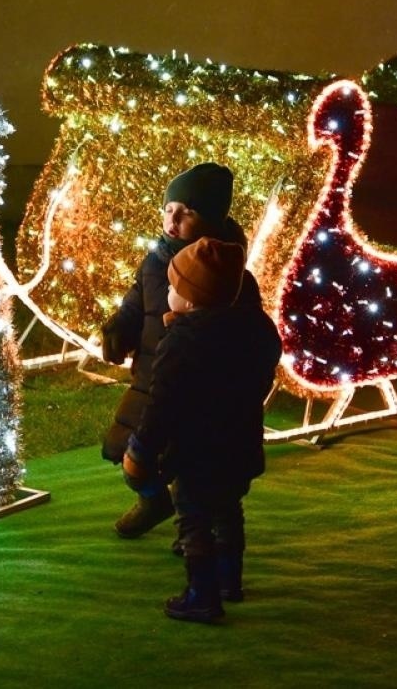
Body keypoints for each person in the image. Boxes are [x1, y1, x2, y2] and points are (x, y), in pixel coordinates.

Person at [122, 236, 282, 623]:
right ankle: (230, 579)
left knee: (193, 518)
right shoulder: (256, 329)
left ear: (191, 299)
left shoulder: (185, 339)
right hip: (241, 445)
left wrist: (143, 447)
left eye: (174, 287)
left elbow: (163, 401)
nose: (169, 294)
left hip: (197, 452)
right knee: (229, 510)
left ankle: (202, 594)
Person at [100, 163, 246, 539]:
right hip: (152, 377)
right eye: (169, 209)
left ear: (211, 219)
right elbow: (138, 300)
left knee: (186, 461)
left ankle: (196, 528)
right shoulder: (155, 259)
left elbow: (243, 333)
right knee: (128, 451)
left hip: (198, 389)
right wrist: (120, 327)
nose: (174, 219)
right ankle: (153, 501)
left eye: (189, 212)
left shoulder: (226, 270)